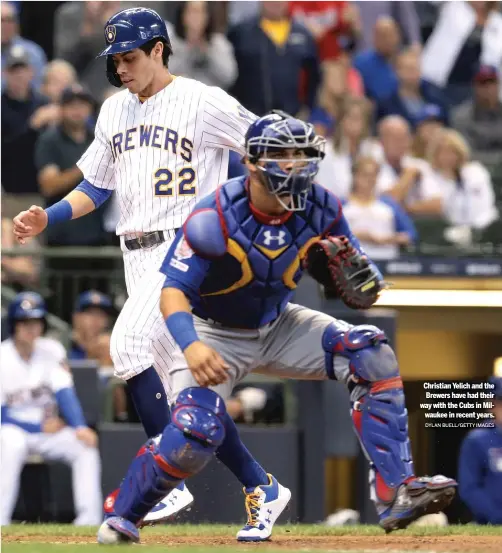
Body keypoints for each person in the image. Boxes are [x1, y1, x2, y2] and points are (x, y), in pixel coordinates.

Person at [97, 113, 457, 545]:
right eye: (282, 156)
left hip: (278, 322)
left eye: (301, 155)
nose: (294, 165)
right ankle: (124, 518)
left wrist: (355, 278)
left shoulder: (322, 206)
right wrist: (190, 346)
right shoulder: (215, 214)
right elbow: (172, 293)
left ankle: (397, 490)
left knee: (371, 352)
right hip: (212, 332)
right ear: (252, 162)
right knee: (196, 431)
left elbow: (357, 277)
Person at [13, 6, 259, 523]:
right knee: (186, 394)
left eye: (129, 57)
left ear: (158, 50)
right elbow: (98, 186)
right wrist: (49, 218)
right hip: (136, 252)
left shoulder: (201, 100)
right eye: (114, 59)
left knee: (124, 346)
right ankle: (262, 485)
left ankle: (164, 480)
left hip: (187, 247)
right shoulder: (113, 110)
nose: (120, 68)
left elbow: (259, 142)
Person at [0, 292, 102, 526]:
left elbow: (65, 392)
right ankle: (1, 521)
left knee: (83, 446)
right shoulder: (2, 356)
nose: (31, 328)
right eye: (25, 322)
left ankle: (89, 521)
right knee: (10, 443)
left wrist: (79, 427)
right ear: (14, 325)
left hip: (49, 431)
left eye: (36, 322)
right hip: (13, 430)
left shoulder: (52, 350)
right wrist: (36, 426)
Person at [228, 0, 321, 116]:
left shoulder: (302, 34)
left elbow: (315, 76)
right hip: (249, 116)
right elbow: (227, 74)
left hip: (291, 119)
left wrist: (308, 108)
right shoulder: (241, 32)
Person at [422, 129, 499, 235]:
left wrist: (476, 227)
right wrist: (448, 177)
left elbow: (487, 202)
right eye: (443, 152)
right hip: (452, 230)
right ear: (436, 155)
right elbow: (440, 206)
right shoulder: (430, 177)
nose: (448, 157)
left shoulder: (476, 171)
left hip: (484, 225)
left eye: (452, 152)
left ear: (459, 152)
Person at [341, 156, 417, 260]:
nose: (370, 179)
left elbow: (410, 235)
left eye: (374, 175)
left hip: (387, 261)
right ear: (355, 176)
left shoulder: (389, 204)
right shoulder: (341, 205)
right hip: (352, 264)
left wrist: (388, 239)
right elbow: (327, 235)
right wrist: (355, 235)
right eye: (365, 175)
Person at [374, 115, 442, 217]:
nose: (401, 143)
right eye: (395, 138)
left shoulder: (420, 165)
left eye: (404, 138)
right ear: (382, 141)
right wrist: (409, 175)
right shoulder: (372, 165)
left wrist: (407, 209)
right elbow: (388, 202)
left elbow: (437, 204)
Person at [458, 376, 502, 525]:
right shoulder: (477, 440)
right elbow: (469, 488)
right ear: (491, 404)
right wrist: (497, 517)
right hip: (491, 524)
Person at [315, 96, 377, 199]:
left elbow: (383, 185)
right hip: (337, 206)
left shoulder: (374, 149)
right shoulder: (325, 151)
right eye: (351, 117)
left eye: (360, 118)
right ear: (341, 121)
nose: (355, 123)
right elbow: (323, 191)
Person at [166, 1, 237, 90]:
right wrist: (186, 50)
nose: (196, 17)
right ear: (183, 15)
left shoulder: (219, 43)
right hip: (180, 98)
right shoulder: (172, 43)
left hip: (211, 99)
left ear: (208, 16)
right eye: (192, 11)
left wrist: (208, 52)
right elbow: (164, 75)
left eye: (200, 12)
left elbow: (229, 77)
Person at [376, 49, 448, 128]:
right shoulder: (386, 105)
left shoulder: (435, 99)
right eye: (408, 69)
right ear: (396, 71)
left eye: (416, 68)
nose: (413, 73)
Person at [452, 65, 502, 169]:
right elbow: (465, 153)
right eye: (483, 84)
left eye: (492, 83)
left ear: (498, 84)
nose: (489, 88)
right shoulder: (461, 116)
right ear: (475, 86)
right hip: (476, 171)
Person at [1, 1, 47, 92]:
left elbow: (38, 87)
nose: (6, 25)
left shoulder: (33, 52)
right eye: (1, 20)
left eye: (10, 20)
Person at [353, 16, 400, 103]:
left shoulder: (405, 61)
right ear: (374, 38)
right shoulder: (362, 64)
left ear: (398, 36)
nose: (387, 40)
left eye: (391, 35)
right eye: (383, 36)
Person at [70, 290, 117, 361]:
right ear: (76, 317)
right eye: (90, 313)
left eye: (102, 315)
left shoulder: (114, 349)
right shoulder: (62, 345)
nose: (96, 319)